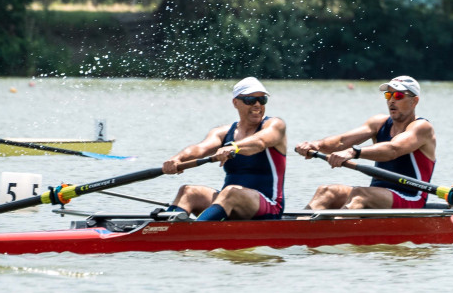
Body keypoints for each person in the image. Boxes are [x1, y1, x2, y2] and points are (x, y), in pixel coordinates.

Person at [295, 75, 436, 210]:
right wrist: (316, 145)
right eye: (388, 95)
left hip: (411, 198)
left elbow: (393, 149)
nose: (391, 101)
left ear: (414, 101)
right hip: (378, 194)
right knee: (326, 191)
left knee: (360, 194)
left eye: (398, 96)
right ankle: (300, 224)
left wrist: (353, 152)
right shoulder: (378, 123)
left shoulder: (422, 127)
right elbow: (342, 141)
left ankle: (338, 225)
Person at [160, 77, 288, 221]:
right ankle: (164, 229)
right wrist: (177, 159)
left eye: (262, 100)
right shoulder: (223, 133)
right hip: (229, 201)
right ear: (235, 102)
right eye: (250, 100)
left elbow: (259, 142)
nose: (257, 105)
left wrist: (234, 147)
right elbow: (199, 149)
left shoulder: (275, 125)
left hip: (269, 207)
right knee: (188, 192)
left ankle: (195, 230)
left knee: (231, 192)